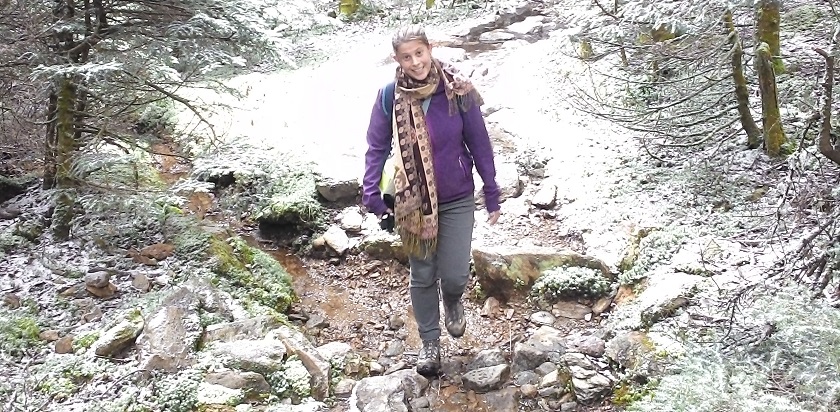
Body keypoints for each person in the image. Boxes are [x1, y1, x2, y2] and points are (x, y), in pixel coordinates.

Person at [361, 24, 501, 376]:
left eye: (419, 53)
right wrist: (371, 192)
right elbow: (376, 147)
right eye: (406, 57)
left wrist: (491, 190)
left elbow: (479, 142)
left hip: (457, 196)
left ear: (430, 49)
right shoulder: (389, 96)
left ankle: (453, 299)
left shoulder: (457, 90)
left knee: (454, 273)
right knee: (423, 273)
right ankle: (429, 344)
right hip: (413, 200)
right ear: (397, 59)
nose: (415, 62)